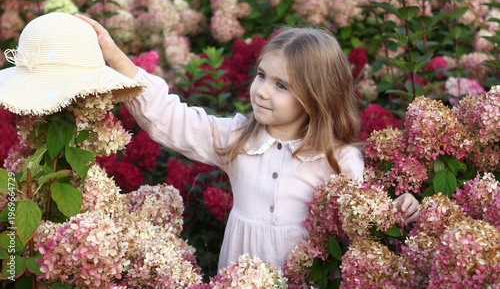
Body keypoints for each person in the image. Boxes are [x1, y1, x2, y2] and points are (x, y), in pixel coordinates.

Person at [76, 14, 420, 270]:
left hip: (303, 275)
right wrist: (115, 56)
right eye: (261, 76)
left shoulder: (336, 159)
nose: (263, 90)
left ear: (316, 97)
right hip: (239, 272)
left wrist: (399, 210)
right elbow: (171, 119)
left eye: (282, 85)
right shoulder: (239, 140)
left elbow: (363, 221)